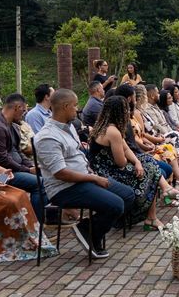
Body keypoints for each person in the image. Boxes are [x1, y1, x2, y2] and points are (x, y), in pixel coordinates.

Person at [36, 89, 136, 259]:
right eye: (75, 106)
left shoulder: (69, 127)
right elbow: (60, 173)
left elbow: (78, 155)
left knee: (127, 195)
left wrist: (91, 173)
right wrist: (93, 178)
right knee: (116, 205)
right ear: (65, 106)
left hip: (84, 178)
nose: (77, 109)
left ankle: (88, 227)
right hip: (65, 188)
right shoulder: (47, 137)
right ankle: (91, 233)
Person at [89, 96, 164, 229]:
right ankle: (147, 217)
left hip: (106, 168)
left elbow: (126, 148)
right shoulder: (112, 132)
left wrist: (137, 162)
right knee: (150, 171)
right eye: (125, 109)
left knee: (148, 162)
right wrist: (135, 165)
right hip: (107, 173)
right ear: (120, 111)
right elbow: (121, 163)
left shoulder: (103, 125)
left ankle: (151, 217)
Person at [0, 138, 57, 265]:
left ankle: (31, 238)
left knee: (20, 195)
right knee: (10, 201)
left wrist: (1, 171)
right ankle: (14, 243)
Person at [0, 94, 47, 221]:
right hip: (0, 174)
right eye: (23, 111)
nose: (24, 114)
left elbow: (17, 151)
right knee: (40, 183)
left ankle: (47, 216)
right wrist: (27, 170)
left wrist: (31, 165)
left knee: (47, 176)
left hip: (12, 169)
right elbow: (2, 160)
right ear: (17, 107)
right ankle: (37, 222)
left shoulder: (13, 126)